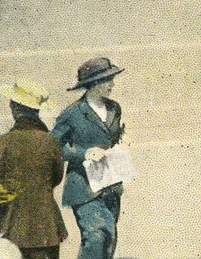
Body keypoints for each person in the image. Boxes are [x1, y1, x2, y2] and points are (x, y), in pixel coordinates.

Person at [52, 58, 126, 259]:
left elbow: (114, 138)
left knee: (108, 239)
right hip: (83, 188)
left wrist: (122, 143)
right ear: (93, 84)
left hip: (110, 184)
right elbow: (52, 147)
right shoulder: (72, 114)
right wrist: (83, 153)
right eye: (107, 80)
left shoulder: (114, 108)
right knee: (96, 236)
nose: (112, 84)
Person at [0, 81, 68, 259]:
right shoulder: (50, 141)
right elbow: (57, 177)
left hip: (13, 225)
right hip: (48, 224)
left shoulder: (4, 142)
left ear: (15, 108)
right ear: (37, 111)